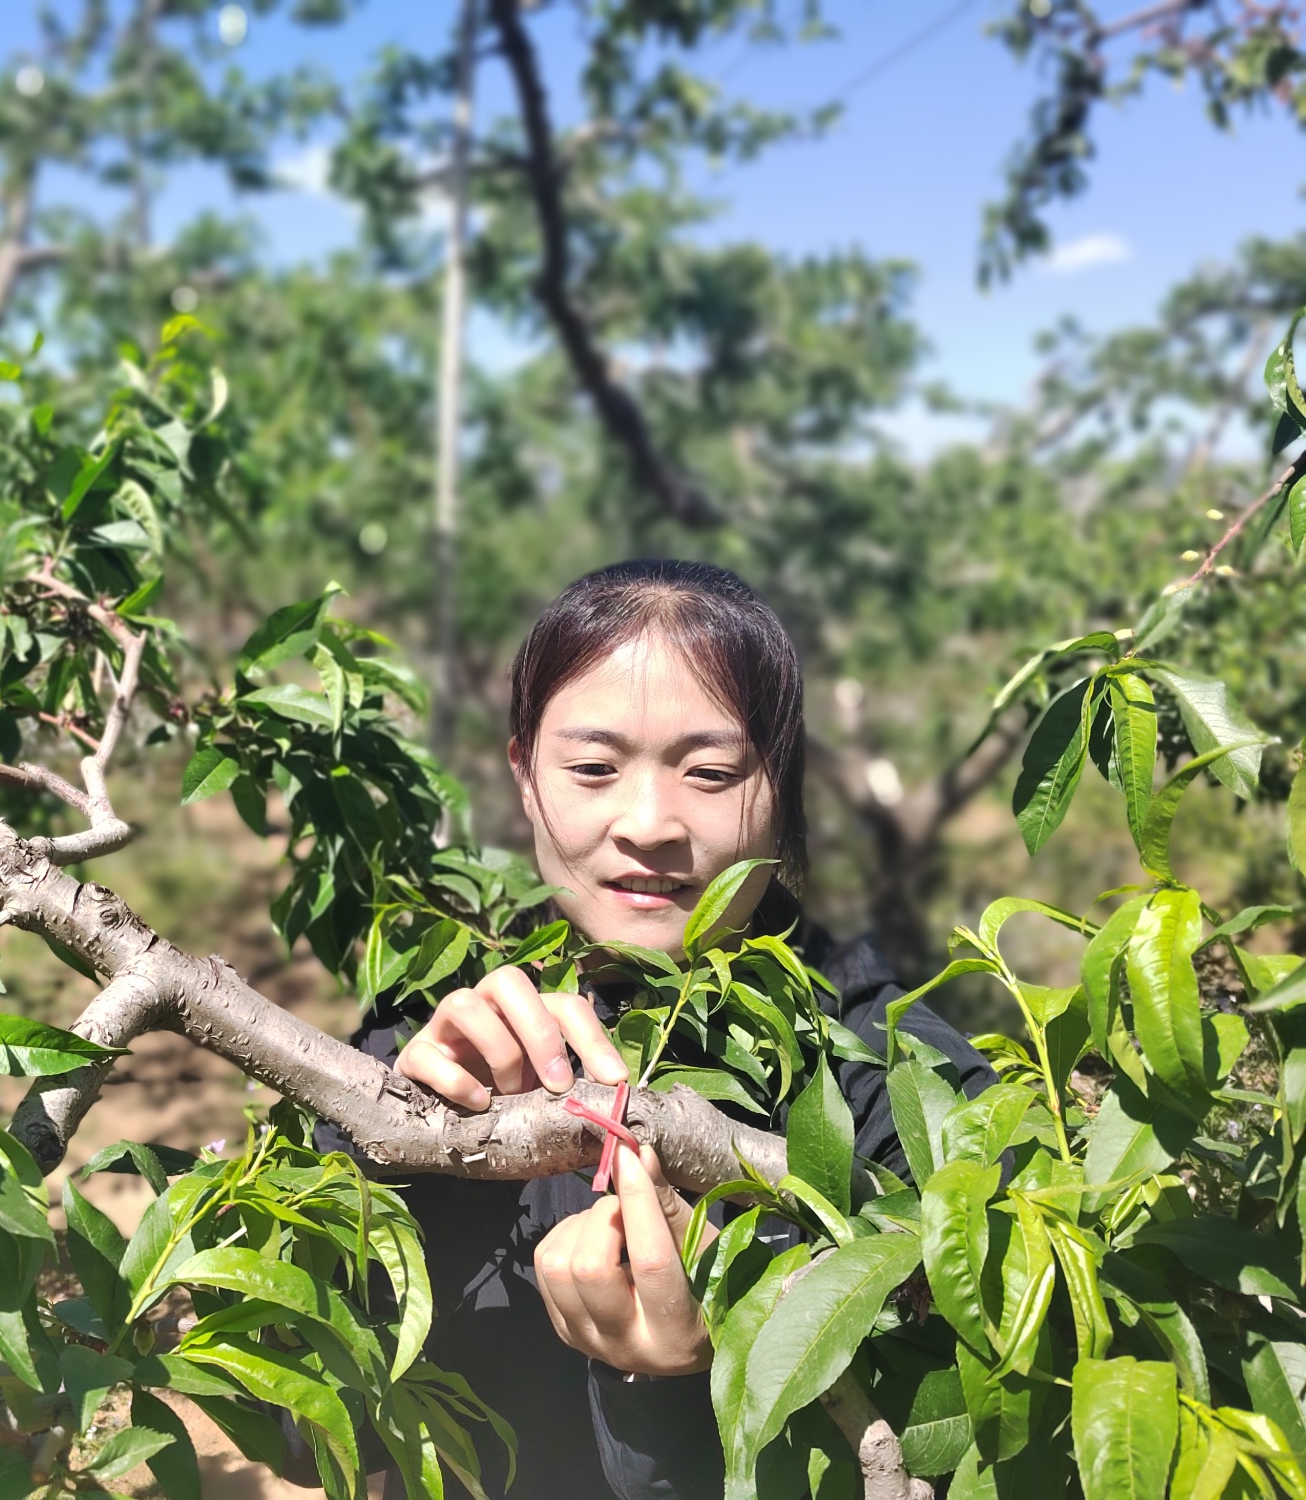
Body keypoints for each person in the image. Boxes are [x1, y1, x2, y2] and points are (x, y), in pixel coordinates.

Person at [327, 560, 995, 1500]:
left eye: (712, 772)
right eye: (594, 769)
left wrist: (702, 1376)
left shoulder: (901, 1085)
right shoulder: (435, 1032)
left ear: (782, 786)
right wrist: (406, 1155)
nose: (648, 824)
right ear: (524, 776)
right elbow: (303, 1429)